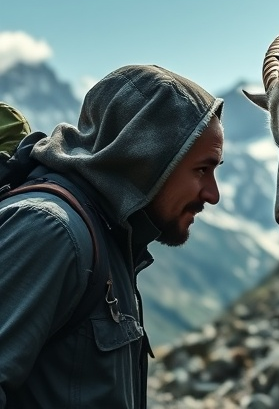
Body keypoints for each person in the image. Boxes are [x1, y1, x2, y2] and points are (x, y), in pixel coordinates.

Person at [0, 64, 224, 408]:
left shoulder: (110, 238)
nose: (213, 194)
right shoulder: (51, 231)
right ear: (146, 157)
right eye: (201, 170)